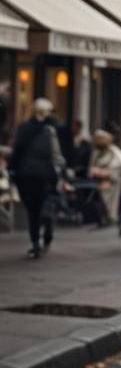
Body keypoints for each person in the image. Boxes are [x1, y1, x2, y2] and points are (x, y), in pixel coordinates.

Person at [10, 98, 64, 258]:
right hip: (44, 175)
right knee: (42, 207)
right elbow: (56, 154)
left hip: (26, 174)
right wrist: (61, 170)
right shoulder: (50, 130)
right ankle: (45, 231)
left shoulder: (24, 128)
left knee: (32, 210)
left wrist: (12, 168)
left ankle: (35, 242)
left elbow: (16, 150)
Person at [88, 129, 121, 229]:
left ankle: (111, 217)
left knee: (109, 197)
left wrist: (105, 173)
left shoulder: (113, 152)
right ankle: (104, 217)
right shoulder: (97, 152)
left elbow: (119, 166)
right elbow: (92, 167)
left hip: (112, 180)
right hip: (100, 179)